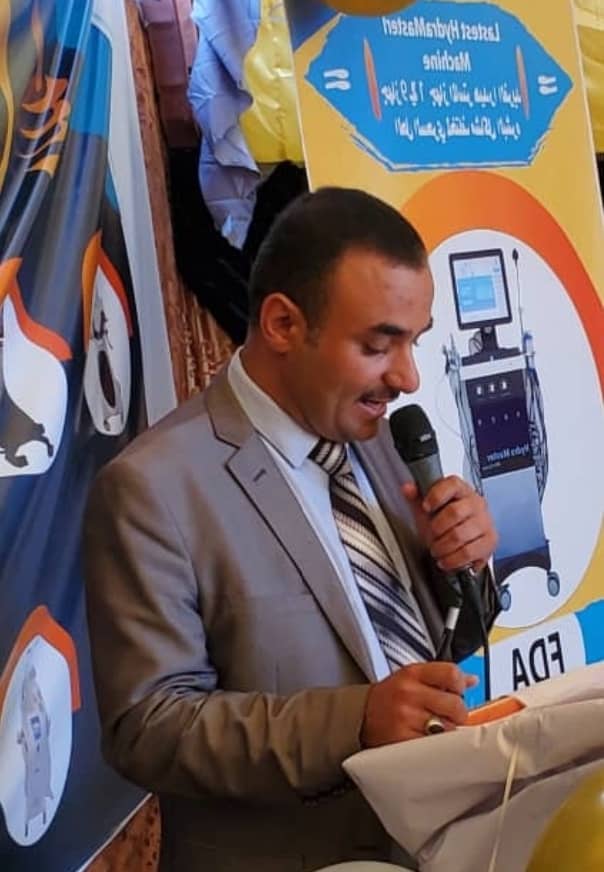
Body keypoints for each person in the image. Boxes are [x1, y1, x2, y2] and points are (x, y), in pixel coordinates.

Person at [83, 187, 499, 871]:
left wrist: (462, 565)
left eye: (415, 342)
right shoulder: (152, 490)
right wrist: (355, 722)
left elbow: (435, 646)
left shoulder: (382, 437)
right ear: (282, 323)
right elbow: (148, 728)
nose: (408, 377)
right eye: (378, 345)